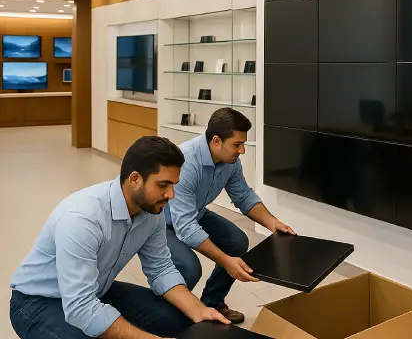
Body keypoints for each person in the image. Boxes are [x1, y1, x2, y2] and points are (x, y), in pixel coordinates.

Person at [9, 136, 229, 339]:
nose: (170, 195)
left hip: (94, 290)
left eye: (173, 185)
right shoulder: (82, 219)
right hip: (36, 302)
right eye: (163, 185)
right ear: (135, 179)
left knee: (183, 319)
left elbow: (161, 269)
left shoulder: (152, 211)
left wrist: (199, 310)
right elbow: (80, 307)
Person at [164, 107, 295, 324]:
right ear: (216, 141)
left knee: (237, 241)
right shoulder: (186, 161)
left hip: (193, 213)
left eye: (243, 144)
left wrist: (273, 223)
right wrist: (227, 262)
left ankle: (212, 303)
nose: (242, 150)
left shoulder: (230, 162)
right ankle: (171, 317)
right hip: (162, 223)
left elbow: (243, 195)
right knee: (189, 267)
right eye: (237, 144)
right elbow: (185, 227)